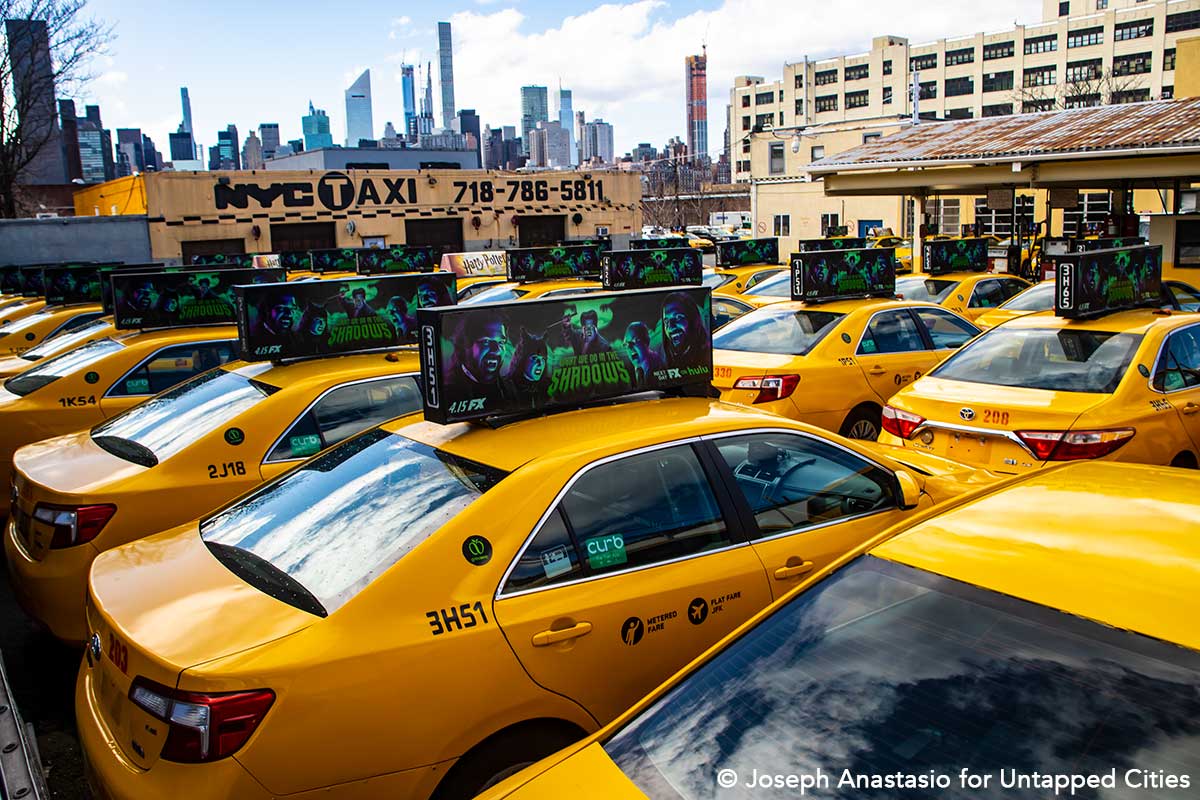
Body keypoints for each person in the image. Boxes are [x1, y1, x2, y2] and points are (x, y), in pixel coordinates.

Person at [661, 291, 709, 372]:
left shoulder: (708, 357)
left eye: (678, 317)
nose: (670, 327)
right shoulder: (666, 363)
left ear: (693, 320)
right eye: (666, 321)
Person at [623, 321, 665, 389]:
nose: (630, 347)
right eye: (626, 344)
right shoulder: (626, 373)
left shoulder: (661, 365)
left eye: (635, 340)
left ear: (646, 341)